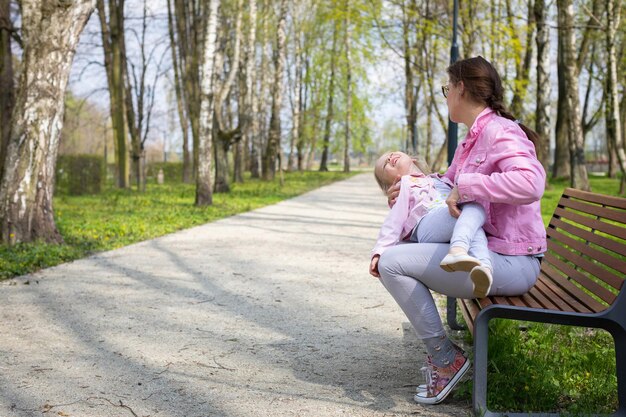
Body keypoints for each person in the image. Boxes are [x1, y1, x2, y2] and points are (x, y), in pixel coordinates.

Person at [376, 56, 547, 405]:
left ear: (460, 88)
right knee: (391, 260)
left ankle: (445, 360)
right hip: (494, 255)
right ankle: (444, 357)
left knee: (391, 263)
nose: (446, 95)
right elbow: (449, 184)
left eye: (446, 88)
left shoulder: (500, 131)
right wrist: (410, 188)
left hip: (512, 261)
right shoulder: (474, 138)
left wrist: (467, 186)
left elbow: (532, 182)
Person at [369, 151, 493, 298]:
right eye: (385, 165)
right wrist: (379, 251)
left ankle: (484, 270)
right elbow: (393, 222)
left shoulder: (439, 179)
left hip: (447, 220)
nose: (389, 158)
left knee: (473, 223)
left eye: (391, 154)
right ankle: (458, 250)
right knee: (471, 209)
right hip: (426, 223)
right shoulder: (405, 184)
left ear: (413, 159)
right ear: (391, 183)